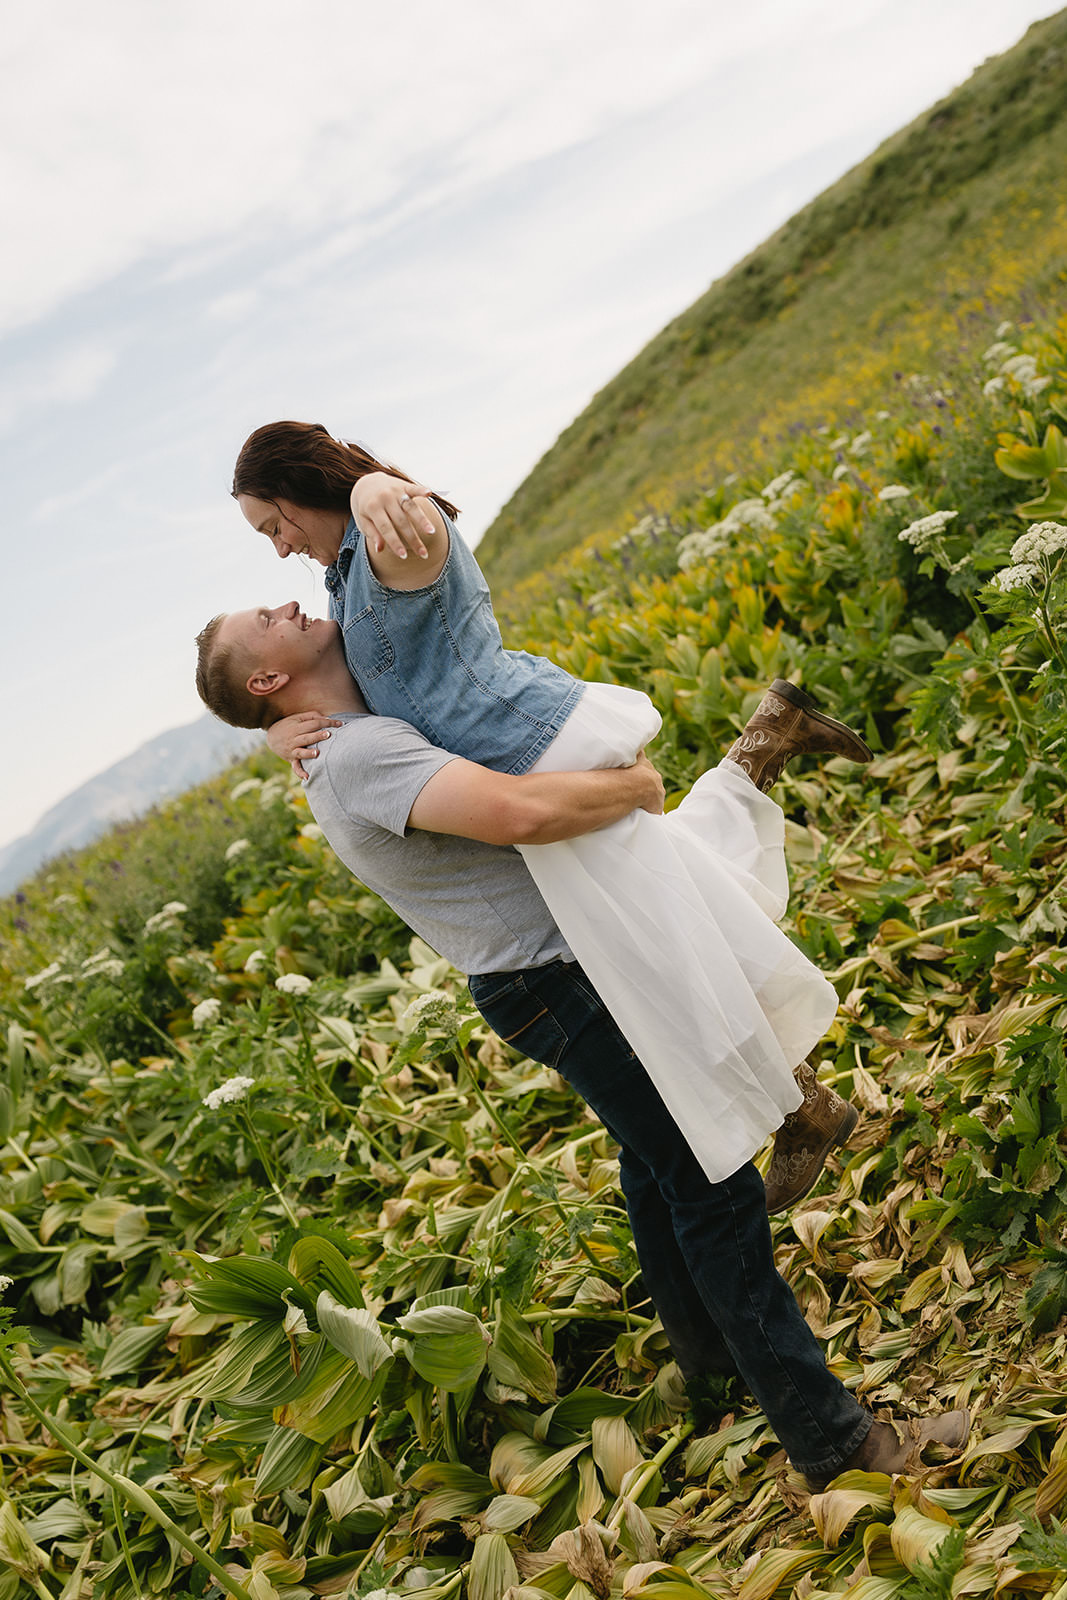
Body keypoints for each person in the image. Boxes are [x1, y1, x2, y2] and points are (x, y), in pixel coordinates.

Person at [193, 601, 970, 1491]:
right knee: (710, 1182)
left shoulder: (346, 728)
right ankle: (836, 1443)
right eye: (263, 616)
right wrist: (636, 790)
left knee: (653, 1164)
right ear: (266, 679)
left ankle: (711, 1358)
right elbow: (517, 813)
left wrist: (267, 732)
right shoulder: (359, 752)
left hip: (554, 971)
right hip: (557, 981)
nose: (288, 600)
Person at [231, 422, 870, 1208]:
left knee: (669, 944)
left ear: (300, 488)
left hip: (533, 745)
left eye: (274, 525)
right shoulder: (343, 577)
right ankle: (767, 742)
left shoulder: (389, 527)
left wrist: (368, 484)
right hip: (523, 750)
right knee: (681, 914)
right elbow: (357, 692)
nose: (279, 548)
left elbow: (417, 527)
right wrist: (276, 733)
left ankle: (803, 1109)